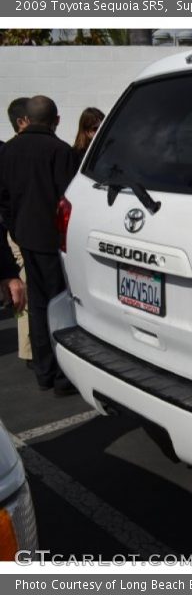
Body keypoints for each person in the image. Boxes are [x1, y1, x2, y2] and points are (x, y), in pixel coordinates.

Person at [0, 95, 77, 395]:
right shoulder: (60, 151)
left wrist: (15, 227)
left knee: (38, 305)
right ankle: (61, 375)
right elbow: (68, 198)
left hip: (25, 237)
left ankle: (44, 370)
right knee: (60, 307)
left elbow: (3, 198)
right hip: (52, 241)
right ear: (56, 120)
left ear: (27, 120)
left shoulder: (9, 150)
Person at [1, 97, 33, 367]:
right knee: (22, 288)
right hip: (21, 233)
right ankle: (29, 350)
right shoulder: (8, 152)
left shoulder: (6, 151)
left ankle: (29, 349)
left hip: (15, 232)